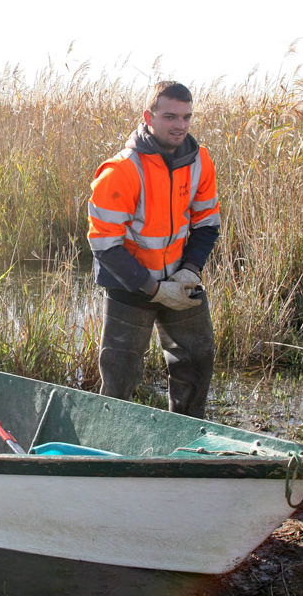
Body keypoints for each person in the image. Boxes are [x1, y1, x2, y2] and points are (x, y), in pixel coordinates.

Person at [87, 81, 220, 418]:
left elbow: (207, 223)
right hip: (130, 285)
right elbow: (104, 244)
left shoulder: (200, 160)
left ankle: (187, 437)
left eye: (187, 117)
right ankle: (109, 444)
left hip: (181, 278)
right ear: (149, 117)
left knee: (196, 361)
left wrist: (189, 270)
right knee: (119, 375)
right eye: (170, 116)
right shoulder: (121, 170)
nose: (180, 125)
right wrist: (154, 289)